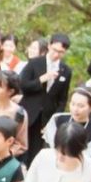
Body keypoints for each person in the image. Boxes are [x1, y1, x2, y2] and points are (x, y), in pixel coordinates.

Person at [19, 33, 73, 167]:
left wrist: (54, 120)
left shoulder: (66, 71)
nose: (56, 54)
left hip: (46, 118)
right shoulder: (35, 63)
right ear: (49, 46)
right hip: (28, 112)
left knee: (36, 152)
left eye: (61, 52)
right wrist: (41, 79)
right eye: (54, 50)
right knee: (20, 146)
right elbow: (22, 85)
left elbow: (62, 99)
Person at [43, 87, 91, 156]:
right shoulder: (57, 119)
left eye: (81, 106)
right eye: (73, 104)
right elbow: (50, 144)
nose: (75, 109)